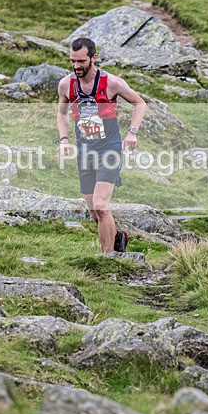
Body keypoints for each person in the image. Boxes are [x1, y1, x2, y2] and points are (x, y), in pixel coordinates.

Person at [57, 37, 146, 254]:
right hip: (85, 151)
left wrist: (132, 133)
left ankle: (108, 258)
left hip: (109, 150)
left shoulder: (111, 82)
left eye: (81, 61)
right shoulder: (66, 84)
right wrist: (64, 139)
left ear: (93, 58)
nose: (76, 66)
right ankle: (118, 238)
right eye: (72, 61)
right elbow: (61, 113)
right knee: (95, 213)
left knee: (101, 205)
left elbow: (139, 103)